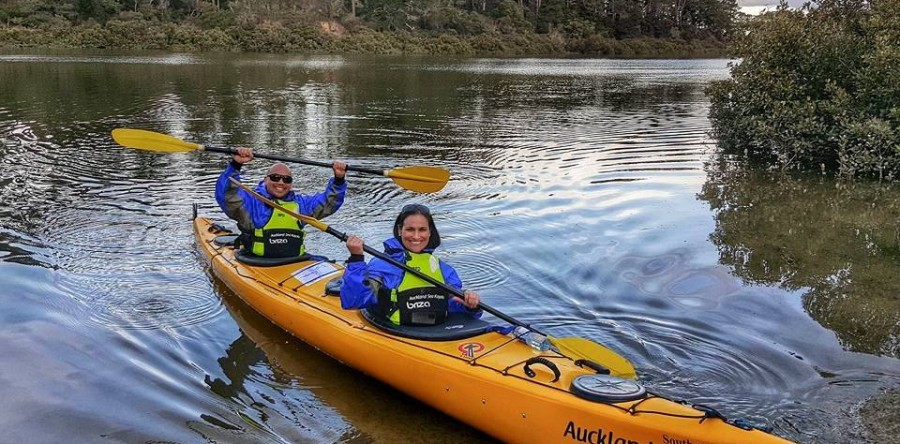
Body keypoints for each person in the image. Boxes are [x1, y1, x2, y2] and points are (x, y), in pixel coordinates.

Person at [340, 204, 482, 326]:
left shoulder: (443, 270)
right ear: (400, 230)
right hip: (395, 332)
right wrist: (356, 258)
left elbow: (454, 309)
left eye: (422, 229)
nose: (416, 236)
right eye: (410, 229)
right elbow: (353, 301)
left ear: (430, 232)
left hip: (434, 333)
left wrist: (471, 305)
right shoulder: (381, 265)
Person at [215, 147, 347, 258]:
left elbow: (329, 203)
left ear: (291, 183)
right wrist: (236, 164)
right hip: (257, 263)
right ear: (265, 179)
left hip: (294, 261)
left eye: (286, 179)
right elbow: (226, 195)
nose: (280, 183)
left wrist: (338, 179)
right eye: (275, 178)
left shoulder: (301, 205)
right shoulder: (252, 202)